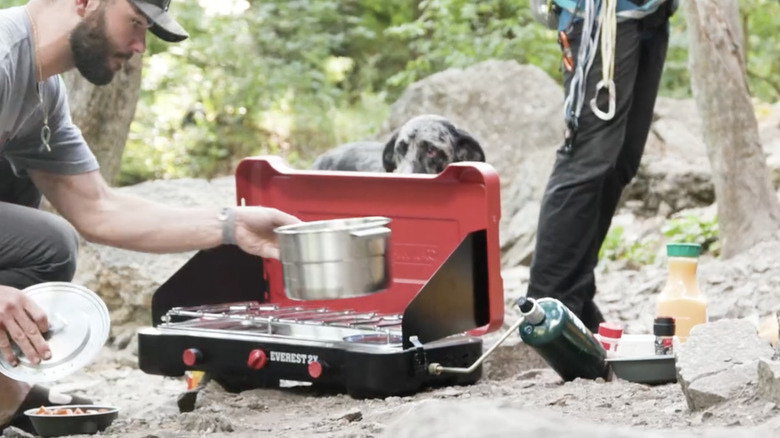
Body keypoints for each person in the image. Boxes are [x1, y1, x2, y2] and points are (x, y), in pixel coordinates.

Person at [0, 0, 301, 431]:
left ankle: (7, 388)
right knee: (46, 246)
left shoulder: (43, 94)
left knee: (22, 197)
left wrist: (232, 226)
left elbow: (98, 209)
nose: (140, 46)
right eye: (136, 23)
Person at [526, 0, 678, 331]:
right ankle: (547, 309)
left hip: (650, 14)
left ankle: (576, 299)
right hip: (597, 17)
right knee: (586, 159)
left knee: (620, 159)